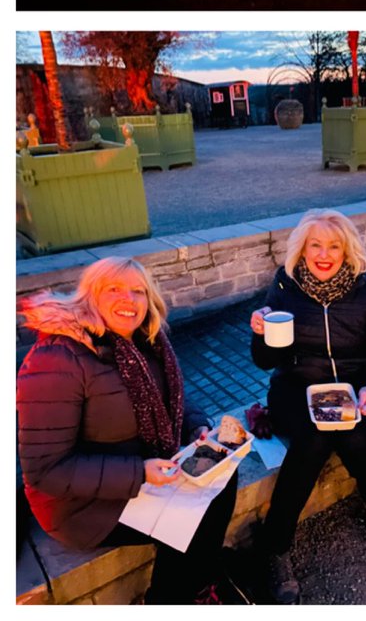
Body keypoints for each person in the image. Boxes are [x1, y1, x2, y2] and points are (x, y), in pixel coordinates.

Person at [18, 258, 235, 604]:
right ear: (89, 297)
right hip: (84, 506)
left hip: (142, 468)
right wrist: (140, 473)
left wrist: (197, 425)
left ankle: (197, 583)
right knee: (192, 515)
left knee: (222, 474)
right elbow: (45, 471)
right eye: (114, 289)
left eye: (138, 291)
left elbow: (173, 396)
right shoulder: (58, 358)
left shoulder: (147, 342)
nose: (129, 300)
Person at [249, 210, 366, 604]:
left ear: (347, 250)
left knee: (353, 434)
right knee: (314, 439)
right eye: (315, 245)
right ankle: (276, 546)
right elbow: (264, 361)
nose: (324, 254)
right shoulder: (285, 288)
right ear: (301, 249)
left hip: (354, 389)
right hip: (295, 390)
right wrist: (262, 332)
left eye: (334, 246)